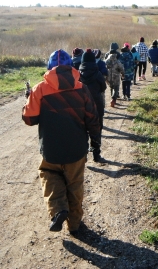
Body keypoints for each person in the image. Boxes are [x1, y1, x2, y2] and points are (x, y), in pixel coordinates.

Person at [22, 49, 102, 235]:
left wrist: (29, 100)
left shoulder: (39, 89)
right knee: (75, 185)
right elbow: (93, 119)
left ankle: (58, 209)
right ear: (70, 67)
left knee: (48, 173)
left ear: (49, 67)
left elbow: (29, 119)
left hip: (51, 150)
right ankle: (74, 225)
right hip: (76, 150)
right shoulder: (82, 88)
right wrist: (96, 142)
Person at [78, 49, 107, 163]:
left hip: (81, 106)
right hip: (96, 106)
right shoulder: (98, 73)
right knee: (96, 131)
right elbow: (103, 88)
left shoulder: (77, 74)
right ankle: (96, 155)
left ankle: (83, 155)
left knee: (82, 131)